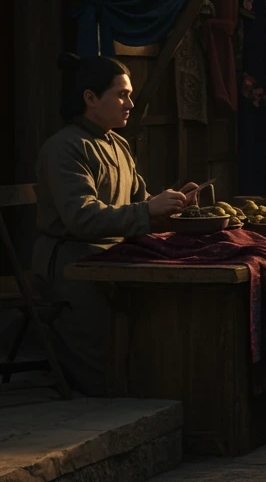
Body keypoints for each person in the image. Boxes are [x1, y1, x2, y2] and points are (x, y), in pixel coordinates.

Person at [33, 54, 197, 395]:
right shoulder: (65, 148)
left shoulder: (117, 143)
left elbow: (140, 202)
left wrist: (174, 208)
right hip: (75, 261)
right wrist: (148, 211)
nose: (130, 103)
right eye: (121, 94)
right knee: (104, 372)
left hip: (115, 256)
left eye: (130, 94)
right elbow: (83, 218)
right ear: (90, 98)